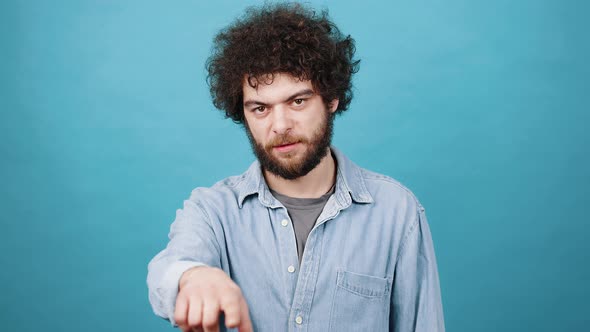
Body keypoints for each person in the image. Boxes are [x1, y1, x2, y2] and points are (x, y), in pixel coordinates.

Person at [147, 3, 445, 332]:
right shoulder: (212, 210)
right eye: (260, 108)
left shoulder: (396, 211)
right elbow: (168, 269)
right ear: (243, 114)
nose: (280, 125)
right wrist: (192, 276)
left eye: (297, 101)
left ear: (331, 99)